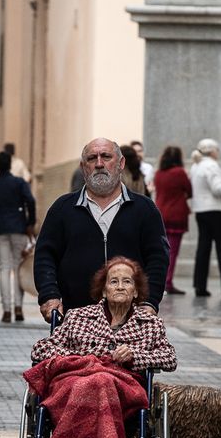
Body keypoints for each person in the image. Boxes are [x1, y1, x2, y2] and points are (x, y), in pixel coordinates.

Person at [27, 257, 177, 438]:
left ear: (136, 291)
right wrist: (82, 358)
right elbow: (41, 349)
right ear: (104, 289)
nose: (120, 286)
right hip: (74, 381)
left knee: (102, 381)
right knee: (97, 381)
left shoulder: (150, 324)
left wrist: (135, 356)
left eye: (127, 282)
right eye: (113, 281)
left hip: (123, 387)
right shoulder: (78, 316)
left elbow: (169, 358)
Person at [34, 137, 170, 321]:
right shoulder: (62, 209)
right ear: (83, 167)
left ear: (121, 163)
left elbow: (158, 258)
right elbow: (45, 255)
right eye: (92, 158)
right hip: (75, 318)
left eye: (106, 156)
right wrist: (49, 295)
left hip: (131, 319)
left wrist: (150, 302)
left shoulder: (145, 209)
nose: (99, 164)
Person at [0, 150, 37, 323]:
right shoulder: (19, 183)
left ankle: (6, 310)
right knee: (18, 267)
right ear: (10, 165)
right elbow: (31, 200)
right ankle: (18, 308)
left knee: (4, 268)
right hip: (19, 227)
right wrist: (30, 222)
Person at [188, 138, 221, 298]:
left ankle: (199, 286)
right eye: (217, 149)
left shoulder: (196, 165)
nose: (218, 152)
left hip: (200, 210)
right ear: (212, 151)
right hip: (215, 210)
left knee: (203, 248)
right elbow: (217, 189)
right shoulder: (211, 165)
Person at [152, 145, 191, 295]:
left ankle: (158, 281)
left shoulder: (158, 173)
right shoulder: (179, 172)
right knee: (172, 251)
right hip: (176, 214)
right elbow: (189, 190)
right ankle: (167, 282)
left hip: (160, 213)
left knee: (161, 250)